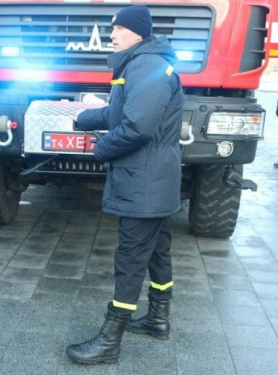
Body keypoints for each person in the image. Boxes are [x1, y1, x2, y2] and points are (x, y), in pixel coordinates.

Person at [66, 5, 184, 365]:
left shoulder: (145, 65)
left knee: (130, 259)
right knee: (158, 251)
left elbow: (137, 127)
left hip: (143, 180)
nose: (111, 34)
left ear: (136, 32)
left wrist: (100, 147)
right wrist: (84, 117)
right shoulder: (143, 63)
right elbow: (123, 113)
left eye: (117, 29)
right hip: (155, 179)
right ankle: (158, 320)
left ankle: (109, 341)